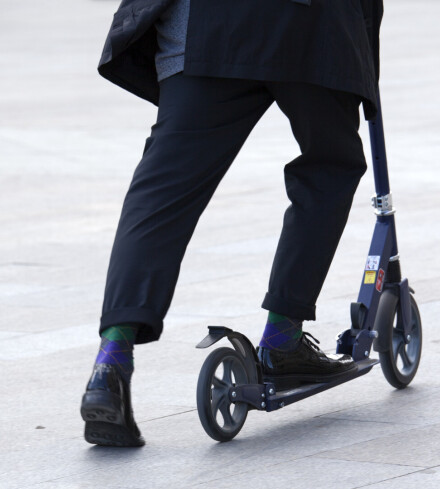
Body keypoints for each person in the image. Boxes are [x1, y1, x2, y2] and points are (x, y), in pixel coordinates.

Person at [80, 0, 384, 447]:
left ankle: (111, 360)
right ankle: (282, 337)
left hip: (206, 25)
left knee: (163, 192)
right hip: (312, 28)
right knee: (330, 167)